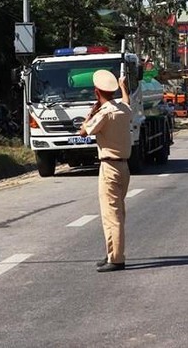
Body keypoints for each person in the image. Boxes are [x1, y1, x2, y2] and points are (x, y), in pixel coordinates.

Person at [79, 70, 132, 272]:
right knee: (117, 212)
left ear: (96, 91)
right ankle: (112, 251)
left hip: (109, 167)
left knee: (112, 215)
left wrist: (92, 111)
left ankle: (116, 259)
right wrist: (123, 86)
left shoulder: (104, 113)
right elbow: (126, 102)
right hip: (124, 166)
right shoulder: (121, 109)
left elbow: (84, 132)